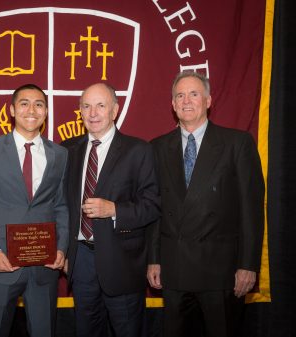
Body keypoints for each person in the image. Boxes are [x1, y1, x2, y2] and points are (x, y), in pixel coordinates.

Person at [147, 71, 265, 337]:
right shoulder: (156, 147)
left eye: (194, 94)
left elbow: (251, 209)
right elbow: (156, 210)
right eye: (180, 95)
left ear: (209, 100)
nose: (186, 101)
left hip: (221, 271)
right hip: (174, 269)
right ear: (173, 104)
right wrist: (154, 259)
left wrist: (248, 265)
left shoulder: (237, 143)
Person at [61, 83, 161, 337]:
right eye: (86, 106)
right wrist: (62, 249)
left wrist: (115, 209)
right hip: (81, 260)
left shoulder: (138, 150)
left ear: (114, 110)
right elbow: (60, 206)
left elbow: (152, 206)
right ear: (80, 112)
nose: (93, 112)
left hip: (123, 263)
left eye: (101, 105)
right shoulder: (67, 150)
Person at [0, 84, 69, 337]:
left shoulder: (60, 155)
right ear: (12, 110)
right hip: (1, 265)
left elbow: (60, 206)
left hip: (44, 267)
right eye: (24, 103)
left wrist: (62, 248)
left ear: (46, 111)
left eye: (39, 104)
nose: (31, 110)